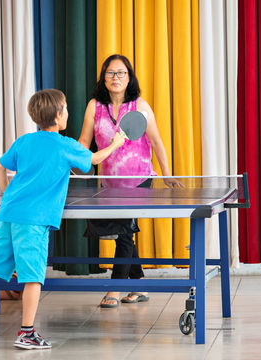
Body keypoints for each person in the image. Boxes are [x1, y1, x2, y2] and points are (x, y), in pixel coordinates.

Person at [0, 89, 125, 349]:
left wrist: (7, 195)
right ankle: (26, 332)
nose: (68, 112)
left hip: (8, 214)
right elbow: (91, 161)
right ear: (58, 116)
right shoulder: (65, 144)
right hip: (33, 221)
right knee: (33, 276)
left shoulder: (24, 141)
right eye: (67, 109)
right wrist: (115, 143)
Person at [78, 54, 181, 308]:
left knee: (124, 230)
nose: (116, 78)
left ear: (129, 77)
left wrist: (166, 175)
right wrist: (75, 160)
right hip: (109, 182)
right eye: (111, 73)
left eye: (121, 73)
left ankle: (114, 288)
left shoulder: (140, 106)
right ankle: (139, 284)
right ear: (104, 78)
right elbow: (84, 141)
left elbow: (156, 142)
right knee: (126, 230)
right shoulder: (94, 106)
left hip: (138, 180)